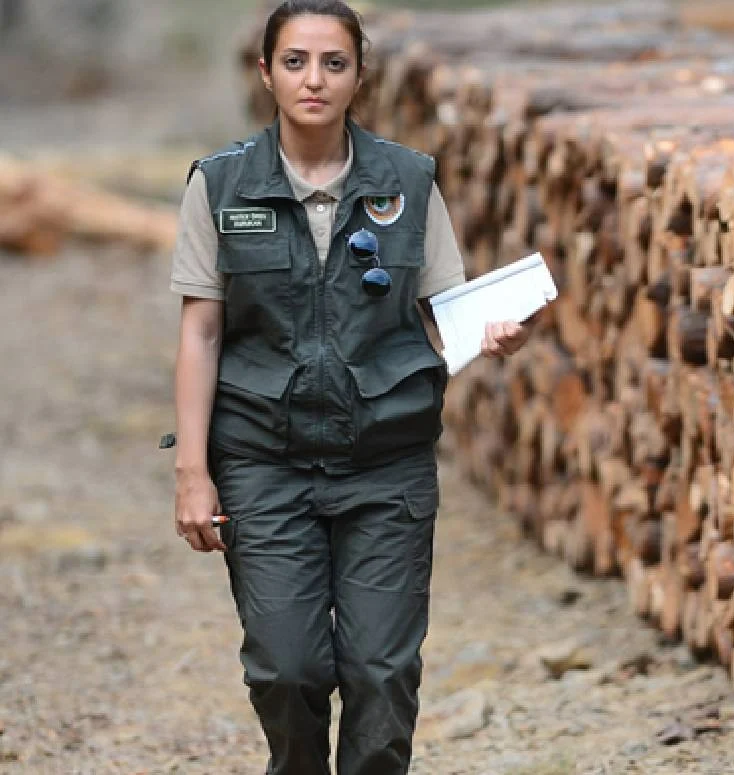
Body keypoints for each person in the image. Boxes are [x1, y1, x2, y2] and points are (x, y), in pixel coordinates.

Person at [167, 2, 530, 772]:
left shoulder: (408, 180)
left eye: (334, 63)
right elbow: (200, 332)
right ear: (266, 72)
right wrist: (192, 472)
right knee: (288, 667)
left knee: (382, 673)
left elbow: (444, 313)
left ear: (360, 75)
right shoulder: (221, 186)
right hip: (262, 462)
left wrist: (490, 335)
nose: (314, 79)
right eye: (295, 61)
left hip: (385, 464)